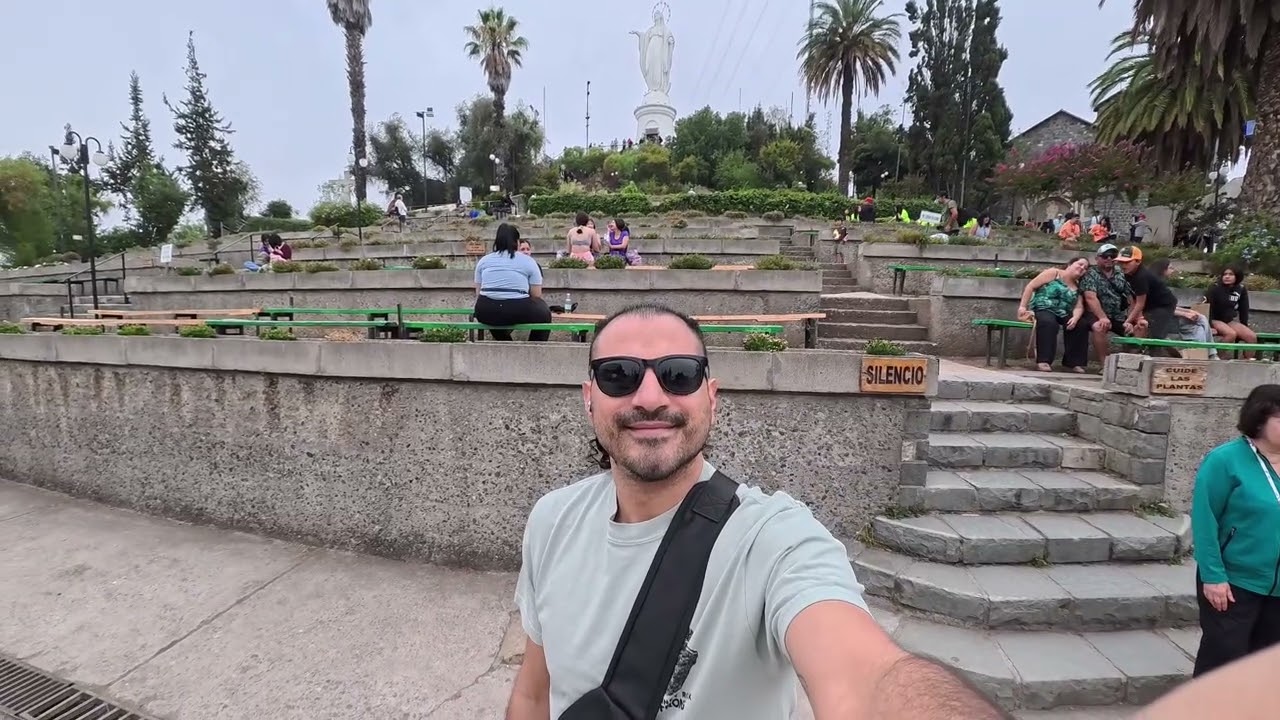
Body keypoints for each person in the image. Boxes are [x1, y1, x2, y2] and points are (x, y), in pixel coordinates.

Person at [505, 304, 1007, 720]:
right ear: (589, 398)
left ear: (712, 398)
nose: (650, 398)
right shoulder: (553, 520)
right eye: (619, 376)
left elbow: (868, 677)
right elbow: (532, 696)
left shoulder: (771, 540)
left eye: (679, 375)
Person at [1191, 384, 1280, 677]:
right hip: (1233, 582)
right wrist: (1213, 576)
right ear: (1260, 419)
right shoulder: (1225, 460)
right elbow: (1205, 521)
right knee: (1223, 662)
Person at [473, 223, 552, 342]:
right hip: (517, 309)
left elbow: (478, 293)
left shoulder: (483, 261)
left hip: (484, 311)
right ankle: (535, 347)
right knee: (544, 312)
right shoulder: (529, 261)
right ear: (517, 242)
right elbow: (536, 295)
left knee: (493, 315)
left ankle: (505, 343)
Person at [1017, 257, 1089, 372]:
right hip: (1044, 307)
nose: (1082, 268)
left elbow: (1079, 306)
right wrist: (1023, 306)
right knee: (1049, 323)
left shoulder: (1079, 285)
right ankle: (1044, 361)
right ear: (1070, 264)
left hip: (1063, 312)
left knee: (1081, 324)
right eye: (1080, 264)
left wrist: (1075, 318)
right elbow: (1030, 286)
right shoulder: (1053, 273)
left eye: (1085, 268)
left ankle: (1073, 362)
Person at [1080, 243, 1136, 365]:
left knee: (1138, 329)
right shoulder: (1091, 274)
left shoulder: (1121, 273)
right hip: (1096, 314)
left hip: (1118, 315)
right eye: (1105, 256)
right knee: (1099, 327)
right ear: (1097, 258)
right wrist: (1102, 317)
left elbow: (1131, 298)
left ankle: (1129, 364)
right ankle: (1105, 364)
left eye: (1113, 255)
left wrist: (1130, 320)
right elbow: (1090, 297)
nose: (1109, 258)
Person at [1150, 259, 1218, 358]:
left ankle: (1201, 357)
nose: (1173, 270)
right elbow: (1161, 308)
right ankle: (1211, 354)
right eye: (1170, 268)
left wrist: (1188, 311)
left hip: (1170, 317)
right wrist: (1185, 314)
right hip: (1164, 321)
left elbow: (1169, 306)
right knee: (1201, 320)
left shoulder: (1161, 285)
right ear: (1163, 270)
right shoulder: (1155, 286)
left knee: (1199, 328)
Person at [1118, 246, 1179, 344]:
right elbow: (1132, 300)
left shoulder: (1141, 277)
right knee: (1139, 327)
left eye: (1127, 262)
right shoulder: (1128, 274)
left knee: (1154, 336)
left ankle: (1158, 349)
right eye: (1121, 262)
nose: (1123, 265)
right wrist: (1134, 319)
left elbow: (1140, 304)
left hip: (1163, 305)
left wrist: (1128, 321)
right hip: (1148, 304)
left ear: (1138, 261)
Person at [1208, 266, 1258, 350]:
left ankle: (1248, 358)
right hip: (1214, 319)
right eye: (1225, 274)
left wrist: (1244, 325)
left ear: (1237, 276)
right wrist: (1209, 325)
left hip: (1228, 320)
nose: (1227, 277)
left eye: (1231, 274)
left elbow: (1244, 309)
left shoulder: (1241, 289)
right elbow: (1208, 307)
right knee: (1231, 334)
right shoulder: (1215, 287)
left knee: (1251, 337)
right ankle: (1216, 355)